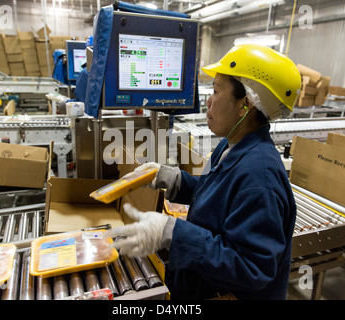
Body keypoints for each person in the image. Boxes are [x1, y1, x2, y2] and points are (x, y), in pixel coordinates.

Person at [106, 44, 302, 300]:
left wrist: (173, 233)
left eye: (216, 91)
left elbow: (252, 268)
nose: (208, 100)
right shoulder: (231, 144)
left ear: (245, 104)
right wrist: (173, 179)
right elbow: (219, 194)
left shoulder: (260, 178)